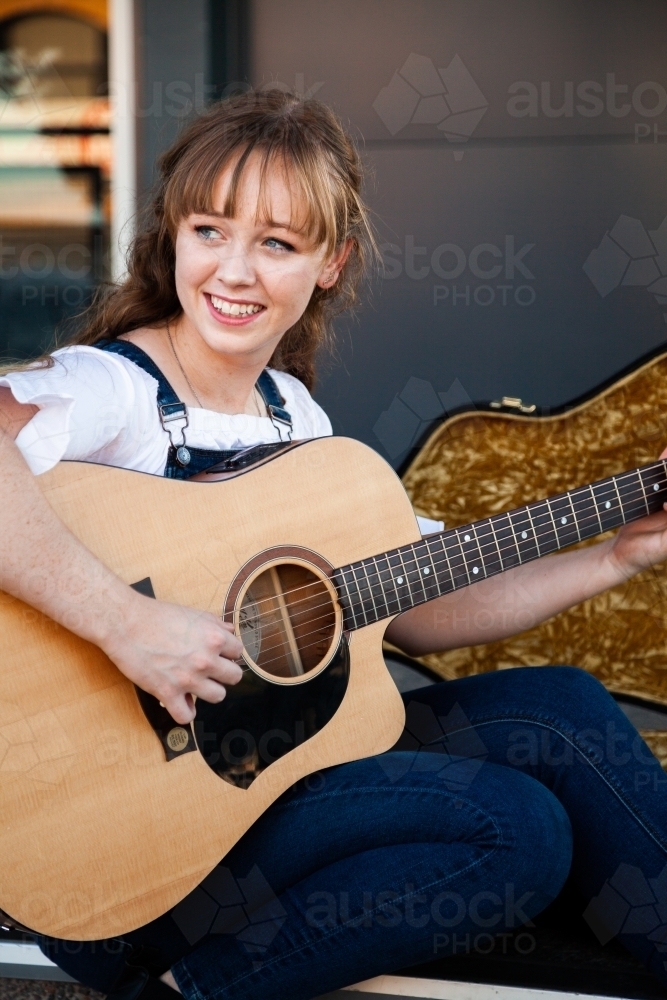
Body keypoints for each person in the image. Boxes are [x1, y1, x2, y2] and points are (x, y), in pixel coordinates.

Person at [2, 91, 667, 1000]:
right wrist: (125, 623)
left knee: (560, 708)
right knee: (519, 830)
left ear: (330, 264)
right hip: (125, 862)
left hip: (248, 793)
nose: (234, 270)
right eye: (209, 230)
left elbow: (415, 612)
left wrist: (615, 556)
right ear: (172, 239)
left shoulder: (294, 417)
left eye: (277, 243)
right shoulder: (111, 389)